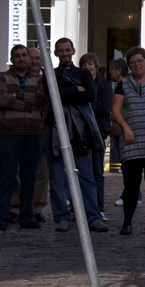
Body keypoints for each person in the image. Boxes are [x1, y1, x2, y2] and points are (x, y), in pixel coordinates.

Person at [47, 38, 106, 232]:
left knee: (86, 175)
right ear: (56, 53)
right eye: (60, 51)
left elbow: (90, 96)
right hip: (55, 128)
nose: (64, 53)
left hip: (80, 130)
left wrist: (64, 93)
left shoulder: (82, 73)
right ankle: (61, 217)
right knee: (56, 176)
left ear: (73, 51)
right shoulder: (50, 74)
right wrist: (74, 89)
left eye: (67, 50)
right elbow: (51, 95)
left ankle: (93, 216)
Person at [0, 45, 48, 231]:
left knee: (29, 177)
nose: (22, 59)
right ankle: (1, 218)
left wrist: (16, 97)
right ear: (12, 58)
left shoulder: (39, 79)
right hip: (9, 133)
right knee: (7, 177)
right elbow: (2, 99)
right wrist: (26, 102)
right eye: (17, 56)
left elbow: (42, 99)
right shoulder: (1, 77)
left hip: (33, 133)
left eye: (24, 55)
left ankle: (27, 216)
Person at [112, 46, 145, 235]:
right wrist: (126, 128)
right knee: (131, 184)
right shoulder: (123, 84)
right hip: (131, 140)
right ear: (129, 66)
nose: (137, 65)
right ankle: (127, 222)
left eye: (140, 61)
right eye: (133, 62)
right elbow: (116, 110)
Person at [80, 52, 112, 218]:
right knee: (82, 172)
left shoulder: (104, 85)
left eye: (90, 64)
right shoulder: (79, 82)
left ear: (96, 65)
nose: (87, 67)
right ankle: (81, 208)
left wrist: (86, 102)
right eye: (84, 64)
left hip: (98, 132)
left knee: (98, 172)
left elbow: (105, 107)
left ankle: (99, 208)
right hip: (81, 132)